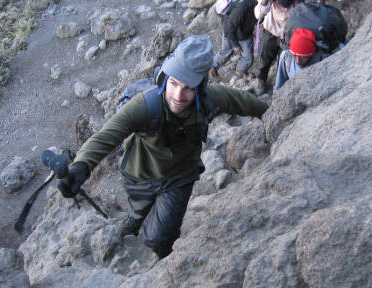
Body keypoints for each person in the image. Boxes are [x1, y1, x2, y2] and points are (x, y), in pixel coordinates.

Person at [57, 35, 268, 259]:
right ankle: (137, 218)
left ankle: (165, 256)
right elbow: (107, 135)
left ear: (201, 87)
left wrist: (275, 115)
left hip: (179, 176)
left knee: (159, 238)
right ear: (165, 78)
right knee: (139, 208)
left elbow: (250, 104)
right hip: (139, 174)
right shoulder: (146, 106)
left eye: (188, 88)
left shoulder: (213, 98)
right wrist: (81, 166)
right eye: (174, 83)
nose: (177, 95)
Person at [254, 0, 301, 91]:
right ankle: (261, 80)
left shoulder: (298, 0)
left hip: (287, 36)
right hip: (270, 31)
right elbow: (259, 13)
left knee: (284, 61)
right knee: (264, 59)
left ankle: (281, 87)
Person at [209, 0, 258, 80]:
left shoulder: (244, 0)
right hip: (237, 34)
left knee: (225, 52)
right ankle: (238, 71)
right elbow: (231, 25)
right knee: (247, 57)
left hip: (233, 32)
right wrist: (236, 45)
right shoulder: (244, 5)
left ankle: (218, 68)